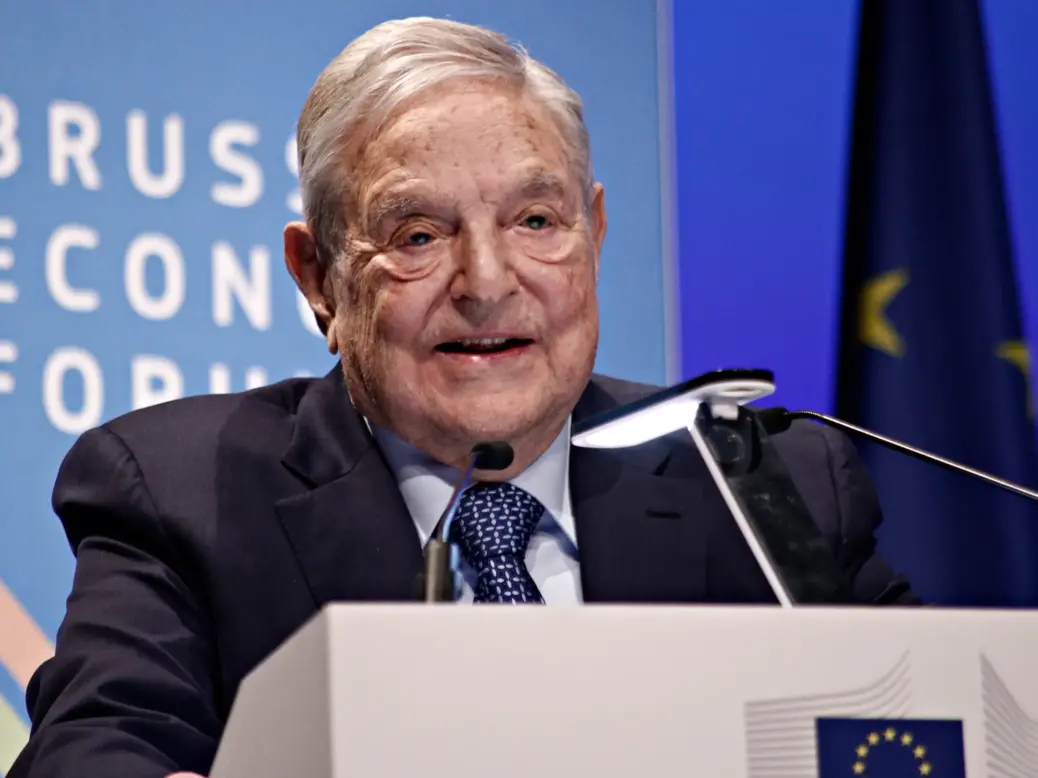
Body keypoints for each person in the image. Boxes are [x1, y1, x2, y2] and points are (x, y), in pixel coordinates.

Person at [7, 16, 917, 778]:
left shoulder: (757, 480)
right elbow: (98, 751)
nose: (487, 282)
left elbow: (944, 722)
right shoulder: (180, 490)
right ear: (317, 277)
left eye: (534, 221)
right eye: (417, 234)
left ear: (593, 233)